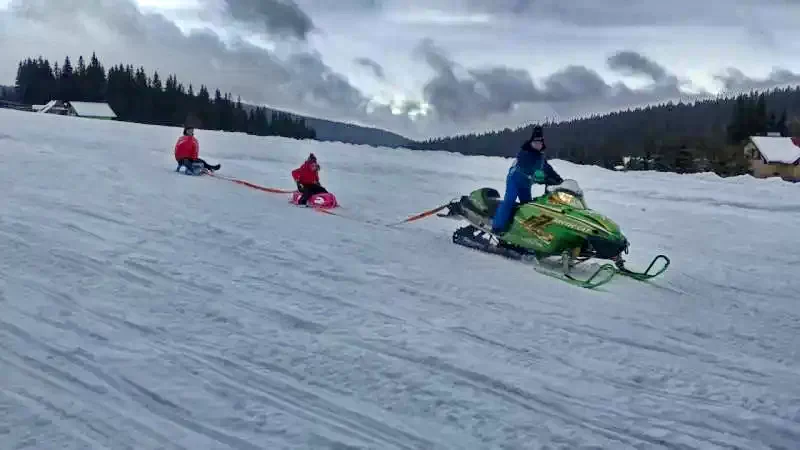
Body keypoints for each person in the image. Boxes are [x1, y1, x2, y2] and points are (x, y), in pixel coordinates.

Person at [491, 125, 563, 235]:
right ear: (531, 142)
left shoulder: (540, 157)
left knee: (528, 206)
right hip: (514, 180)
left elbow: (548, 169)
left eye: (540, 142)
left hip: (526, 184)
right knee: (509, 201)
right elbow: (527, 166)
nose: (538, 144)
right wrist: (539, 176)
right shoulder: (524, 152)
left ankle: (523, 233)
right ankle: (497, 227)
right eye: (535, 142)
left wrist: (560, 181)